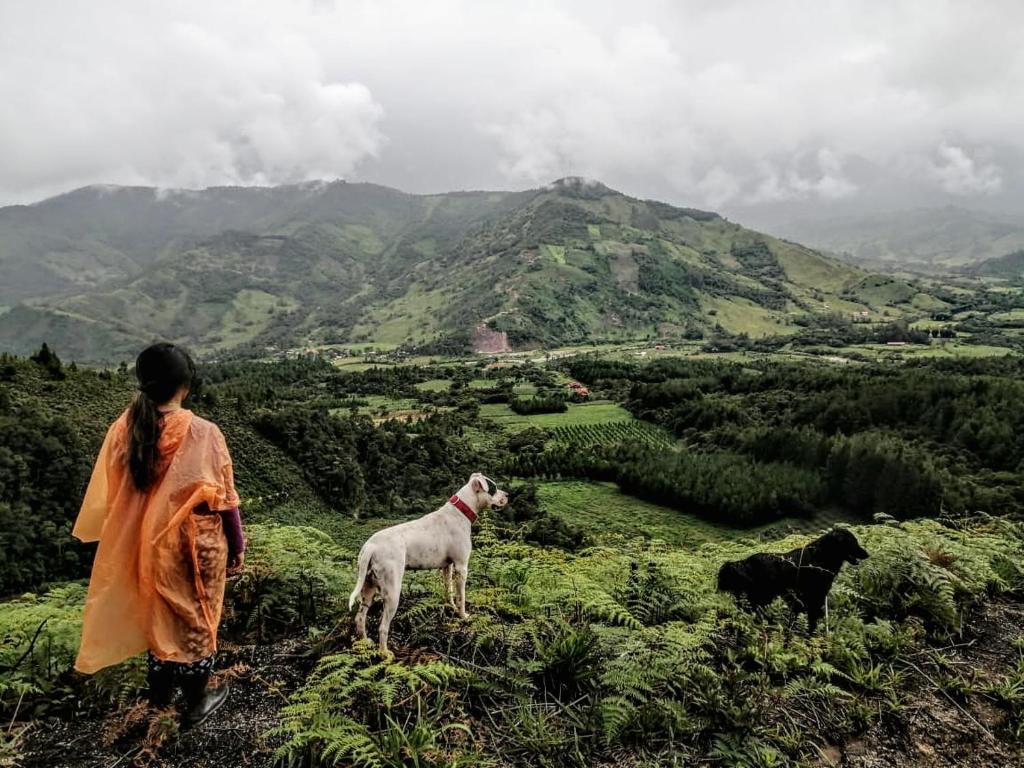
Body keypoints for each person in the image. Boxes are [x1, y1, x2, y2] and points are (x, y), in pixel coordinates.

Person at [72, 342, 245, 727]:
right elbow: (225, 498)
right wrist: (238, 545)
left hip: (145, 544)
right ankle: (198, 700)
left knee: (159, 614)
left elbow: (116, 493)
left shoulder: (125, 428)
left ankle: (160, 700)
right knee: (198, 616)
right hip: (194, 545)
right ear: (185, 384)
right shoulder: (203, 432)